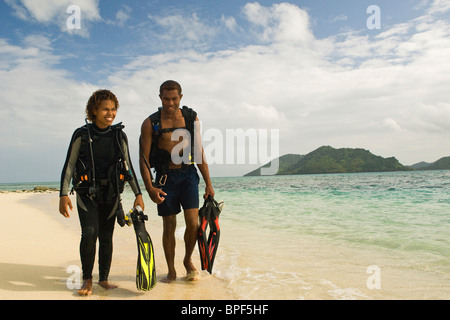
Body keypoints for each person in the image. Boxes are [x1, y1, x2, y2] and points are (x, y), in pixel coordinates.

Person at [59, 89, 144, 295]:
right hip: (87, 194)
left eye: (113, 109)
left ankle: (103, 279)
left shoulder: (118, 135)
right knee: (89, 233)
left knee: (106, 237)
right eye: (105, 109)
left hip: (111, 194)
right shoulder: (82, 134)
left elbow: (128, 166)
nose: (110, 113)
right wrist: (63, 195)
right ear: (94, 110)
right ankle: (87, 279)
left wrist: (138, 194)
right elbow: (69, 165)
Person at [139, 80, 214, 282]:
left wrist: (208, 183)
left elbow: (198, 152)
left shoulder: (191, 118)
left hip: (188, 175)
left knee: (193, 224)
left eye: (174, 98)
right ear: (160, 97)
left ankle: (187, 260)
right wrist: (149, 188)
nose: (170, 103)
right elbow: (143, 159)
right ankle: (171, 270)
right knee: (169, 225)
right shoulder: (150, 123)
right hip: (165, 178)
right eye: (166, 98)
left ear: (180, 97)